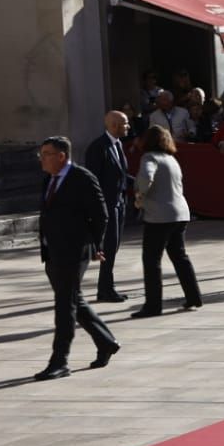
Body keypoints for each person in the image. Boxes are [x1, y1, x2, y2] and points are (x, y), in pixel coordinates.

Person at [34, 135, 119, 380]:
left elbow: (101, 214)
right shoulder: (49, 179)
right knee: (73, 299)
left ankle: (59, 361)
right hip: (52, 251)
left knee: (65, 306)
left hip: (74, 251)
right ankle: (105, 342)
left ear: (62, 156)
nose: (42, 158)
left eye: (47, 154)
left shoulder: (82, 178)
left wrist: (96, 244)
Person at [130, 126, 202, 318]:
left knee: (152, 260)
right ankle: (194, 296)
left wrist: (140, 196)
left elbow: (146, 177)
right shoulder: (172, 159)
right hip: (180, 213)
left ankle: (153, 305)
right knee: (180, 257)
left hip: (159, 215)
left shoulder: (150, 158)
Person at [84, 110, 133, 303]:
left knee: (114, 247)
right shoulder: (98, 147)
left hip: (120, 203)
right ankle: (106, 289)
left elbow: (120, 174)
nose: (128, 126)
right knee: (110, 247)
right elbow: (93, 180)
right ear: (113, 125)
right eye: (125, 123)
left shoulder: (118, 145)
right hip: (107, 206)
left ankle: (105, 287)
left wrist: (136, 184)